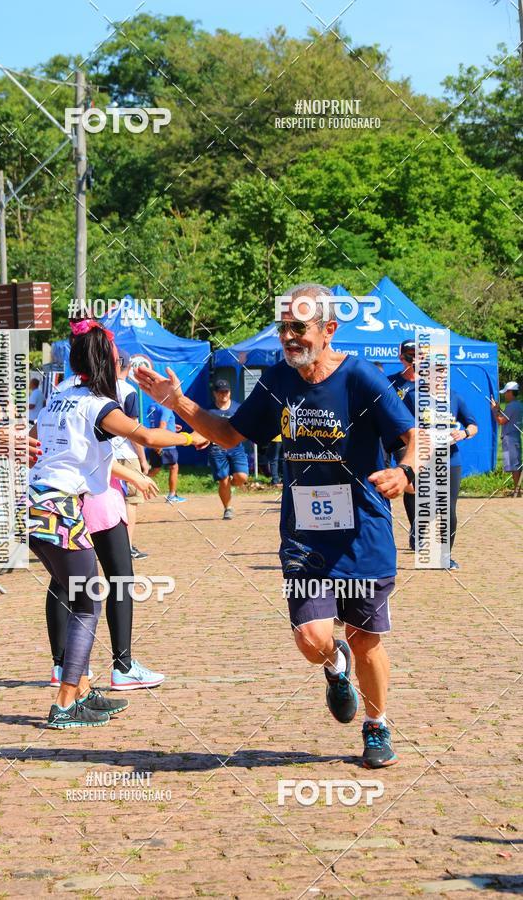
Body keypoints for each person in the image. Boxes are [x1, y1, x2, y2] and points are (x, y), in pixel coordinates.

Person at [137, 282, 417, 768]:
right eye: (284, 327)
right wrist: (178, 402)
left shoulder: (361, 378)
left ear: (328, 330)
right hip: (305, 535)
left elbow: (412, 435)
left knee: (365, 638)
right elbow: (228, 434)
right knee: (312, 639)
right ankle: (334, 667)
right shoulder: (276, 383)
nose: (289, 337)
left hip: (364, 530)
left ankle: (377, 726)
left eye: (299, 328)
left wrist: (405, 471)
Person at [29, 320, 205, 728]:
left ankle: (84, 691)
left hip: (35, 503)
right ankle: (65, 704)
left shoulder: (60, 396)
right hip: (60, 507)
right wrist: (190, 437)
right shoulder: (98, 405)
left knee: (76, 597)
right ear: (107, 361)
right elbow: (145, 437)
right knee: (87, 602)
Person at [44, 453, 165, 692]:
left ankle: (62, 667)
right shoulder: (99, 414)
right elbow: (102, 453)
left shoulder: (49, 414)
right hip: (99, 499)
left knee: (64, 582)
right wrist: (188, 440)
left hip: (63, 499)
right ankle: (123, 667)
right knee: (120, 579)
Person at [401, 371, 478, 569]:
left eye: (443, 372)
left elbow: (473, 425)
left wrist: (464, 432)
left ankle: (446, 556)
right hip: (424, 460)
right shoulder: (413, 397)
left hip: (450, 460)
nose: (440, 376)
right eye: (435, 372)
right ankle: (418, 532)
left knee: (449, 510)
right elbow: (401, 425)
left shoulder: (455, 397)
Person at [112, 351, 151, 559]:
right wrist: (143, 460)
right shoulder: (128, 391)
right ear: (129, 366)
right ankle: (125, 547)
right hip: (126, 452)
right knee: (131, 500)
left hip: (104, 453)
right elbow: (133, 429)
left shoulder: (100, 388)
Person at [388, 340, 418, 550]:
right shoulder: (390, 383)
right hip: (401, 439)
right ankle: (416, 531)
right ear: (401, 357)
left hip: (426, 439)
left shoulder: (429, 383)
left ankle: (425, 531)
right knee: (411, 484)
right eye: (409, 354)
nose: (413, 358)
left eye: (417, 354)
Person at [207, 378, 248, 519]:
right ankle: (228, 508)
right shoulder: (209, 411)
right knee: (223, 480)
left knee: (242, 477)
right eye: (220, 392)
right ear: (215, 393)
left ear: (230, 392)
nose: (223, 394)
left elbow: (245, 426)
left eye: (226, 391)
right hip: (217, 449)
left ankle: (228, 486)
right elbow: (204, 429)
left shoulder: (238, 408)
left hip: (236, 448)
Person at [146, 401, 186, 503]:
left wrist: (172, 426)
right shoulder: (166, 406)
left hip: (154, 443)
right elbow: (162, 424)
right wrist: (160, 444)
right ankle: (172, 496)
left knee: (155, 469)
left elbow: (155, 423)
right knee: (174, 467)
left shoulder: (151, 406)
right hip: (166, 445)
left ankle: (133, 486)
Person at [491, 381, 522, 497]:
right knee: (515, 464)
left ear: (510, 392)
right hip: (514, 437)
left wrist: (494, 410)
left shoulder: (512, 406)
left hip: (510, 438)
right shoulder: (518, 405)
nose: (504, 395)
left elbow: (501, 421)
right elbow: (507, 417)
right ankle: (517, 490)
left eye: (506, 392)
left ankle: (517, 491)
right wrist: (499, 409)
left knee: (514, 465)